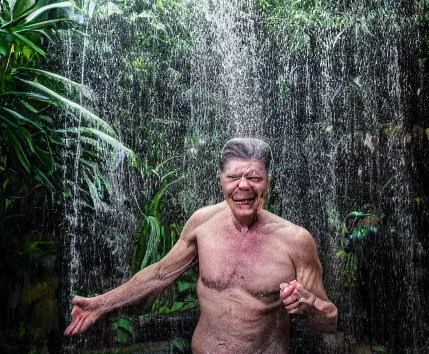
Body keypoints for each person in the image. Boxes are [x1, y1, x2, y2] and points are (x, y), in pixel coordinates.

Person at [64, 138, 338, 353]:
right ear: (221, 179)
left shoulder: (295, 240)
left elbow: (329, 321)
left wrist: (310, 304)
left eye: (254, 177)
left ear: (268, 181)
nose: (243, 186)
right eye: (233, 177)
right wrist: (100, 304)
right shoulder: (202, 223)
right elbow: (159, 275)